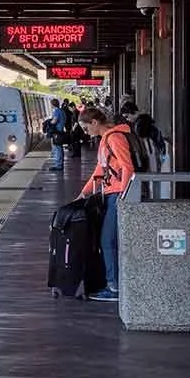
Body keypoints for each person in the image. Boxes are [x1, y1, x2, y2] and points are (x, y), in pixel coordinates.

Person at [76, 106, 137, 303]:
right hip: (113, 193)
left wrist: (124, 195)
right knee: (110, 241)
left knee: (107, 241)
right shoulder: (106, 140)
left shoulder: (114, 138)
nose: (86, 133)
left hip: (119, 194)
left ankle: (114, 287)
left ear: (94, 123)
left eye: (86, 128)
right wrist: (84, 193)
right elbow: (101, 170)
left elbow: (127, 167)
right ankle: (115, 283)